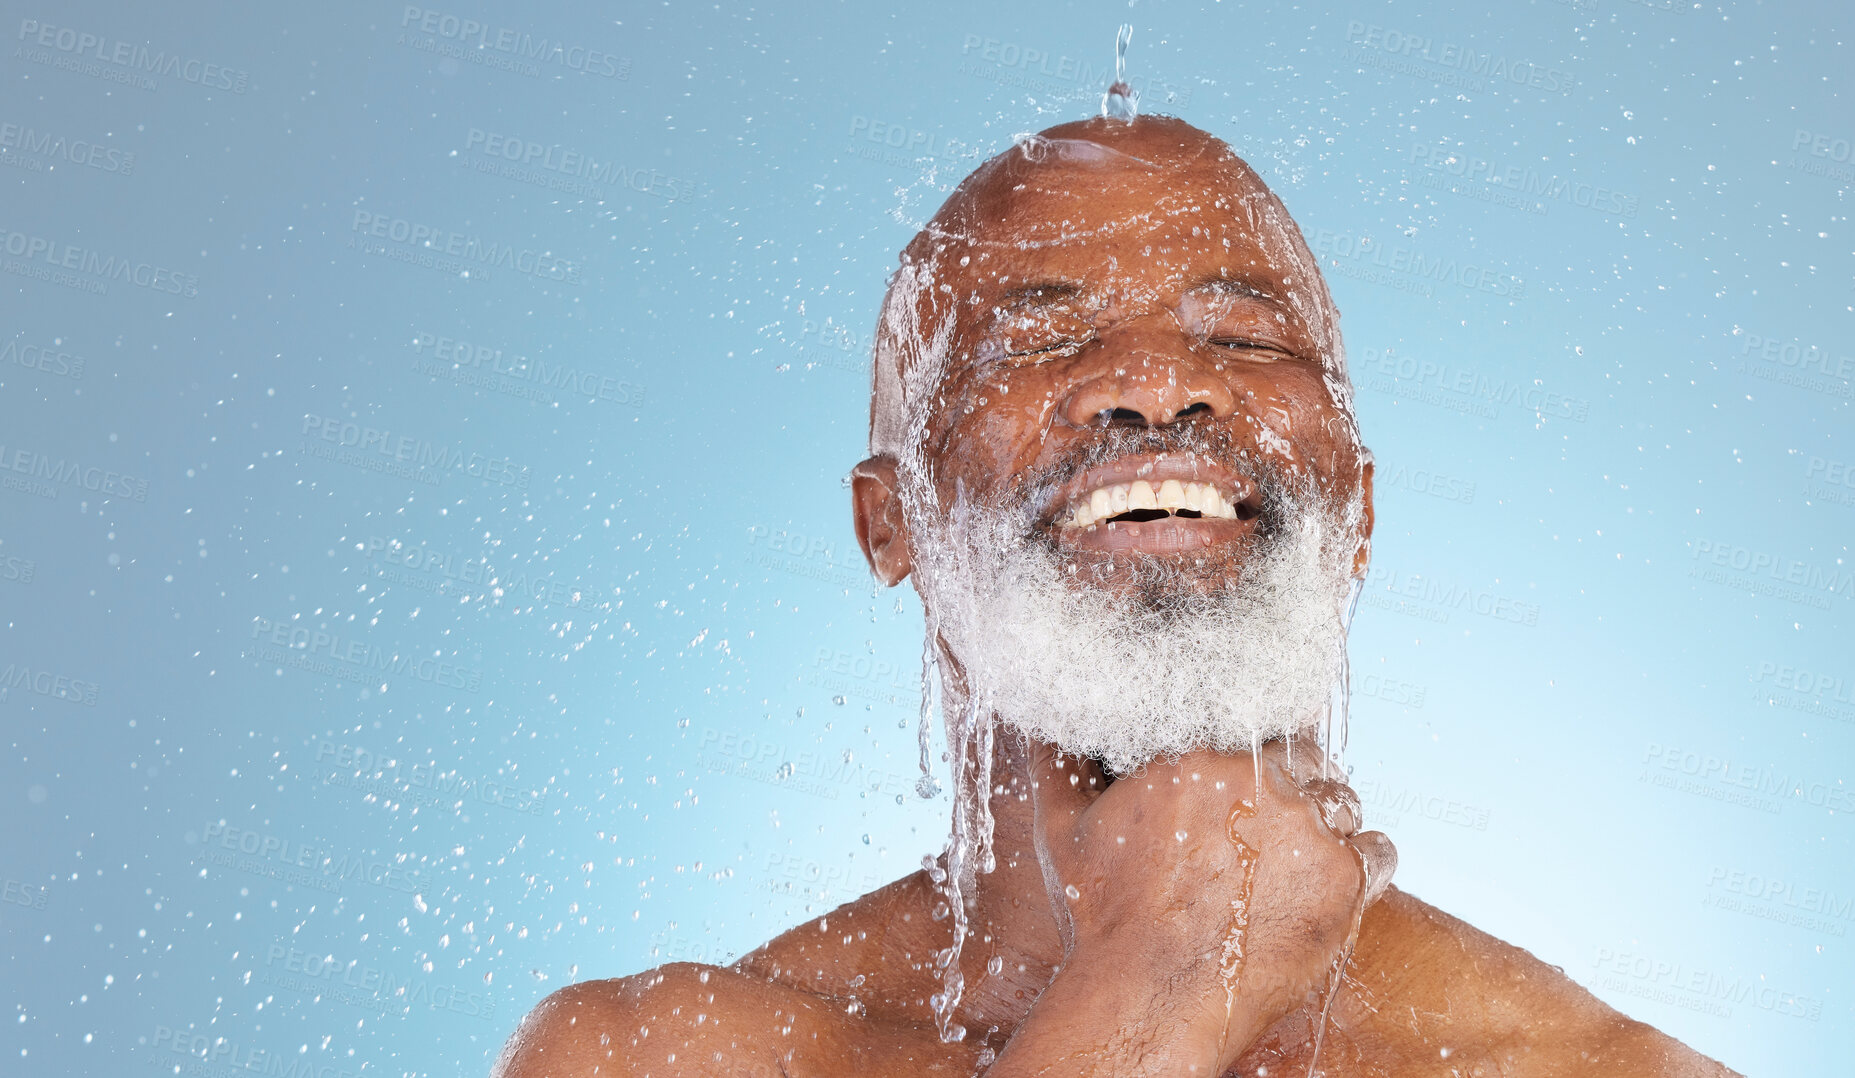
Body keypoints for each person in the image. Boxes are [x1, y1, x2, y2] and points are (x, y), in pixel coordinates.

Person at [494, 114, 1738, 1077]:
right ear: (892, 524)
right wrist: (1159, 980)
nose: (1153, 379)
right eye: (1037, 342)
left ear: (1357, 508)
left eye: (1246, 339)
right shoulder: (661, 1056)